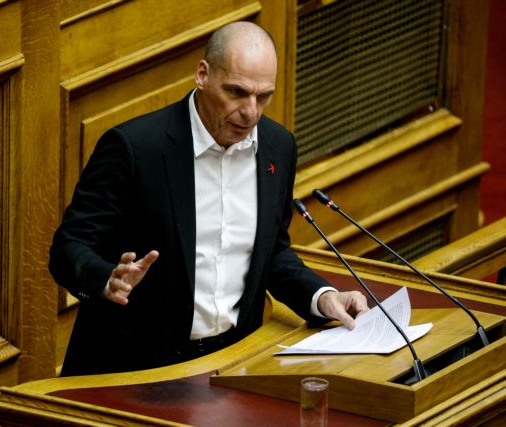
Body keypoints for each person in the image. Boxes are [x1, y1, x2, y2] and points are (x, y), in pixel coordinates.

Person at [49, 21, 368, 376]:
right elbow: (68, 247)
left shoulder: (278, 147)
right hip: (132, 370)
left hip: (230, 365)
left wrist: (322, 297)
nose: (251, 112)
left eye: (263, 96)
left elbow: (271, 252)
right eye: (237, 92)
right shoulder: (134, 149)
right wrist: (107, 279)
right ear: (203, 75)